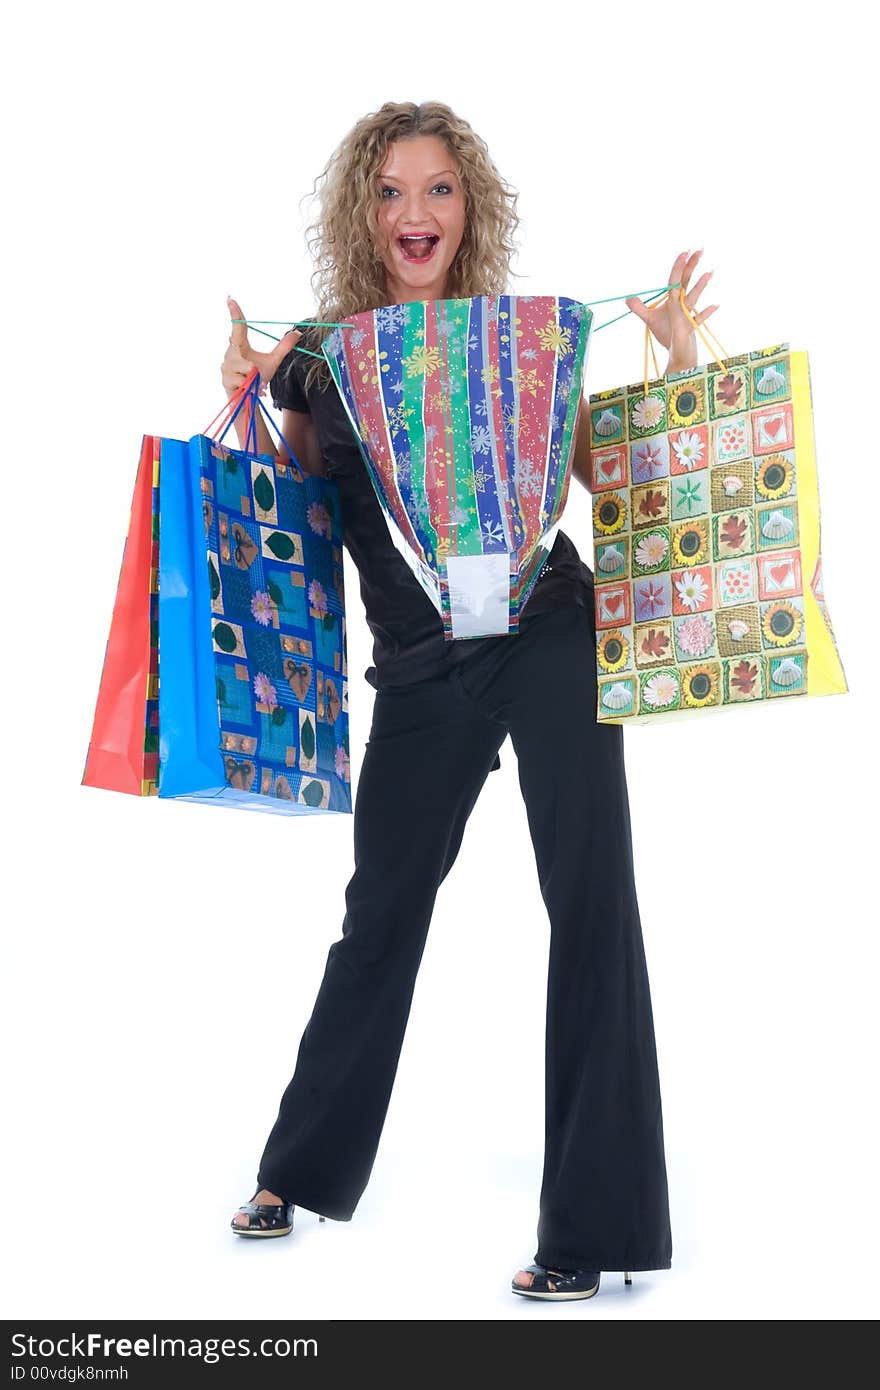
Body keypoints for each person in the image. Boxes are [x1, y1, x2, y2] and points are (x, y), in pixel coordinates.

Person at [220, 100, 718, 1302]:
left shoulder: (522, 342)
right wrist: (238, 390)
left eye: (437, 189)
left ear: (469, 210)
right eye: (390, 191)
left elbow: (623, 481)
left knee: (592, 904)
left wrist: (678, 359)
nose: (414, 212)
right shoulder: (328, 359)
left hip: (548, 629)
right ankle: (300, 1166)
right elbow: (287, 506)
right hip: (420, 670)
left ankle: (588, 1233)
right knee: (380, 914)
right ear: (362, 214)